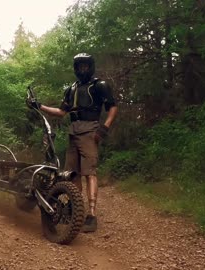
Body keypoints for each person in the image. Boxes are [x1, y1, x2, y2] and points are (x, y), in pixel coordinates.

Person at [27, 53, 118, 232]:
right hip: (73, 132)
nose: (82, 69)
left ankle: (91, 215)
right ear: (76, 68)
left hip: (90, 131)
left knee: (90, 172)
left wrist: (104, 128)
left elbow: (112, 107)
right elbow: (61, 112)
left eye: (85, 66)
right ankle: (75, 208)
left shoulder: (99, 86)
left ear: (90, 67)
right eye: (79, 66)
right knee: (71, 174)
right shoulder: (71, 89)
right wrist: (40, 106)